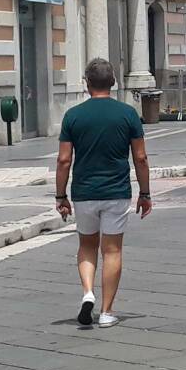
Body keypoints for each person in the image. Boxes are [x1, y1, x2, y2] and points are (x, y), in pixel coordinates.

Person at [55, 58, 152, 329]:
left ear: (87, 83)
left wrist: (60, 196)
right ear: (113, 82)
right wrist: (145, 193)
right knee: (112, 250)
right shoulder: (128, 114)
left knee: (87, 245)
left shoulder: (73, 116)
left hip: (84, 192)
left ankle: (88, 292)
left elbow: (64, 161)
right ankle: (107, 312)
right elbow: (141, 157)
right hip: (116, 192)